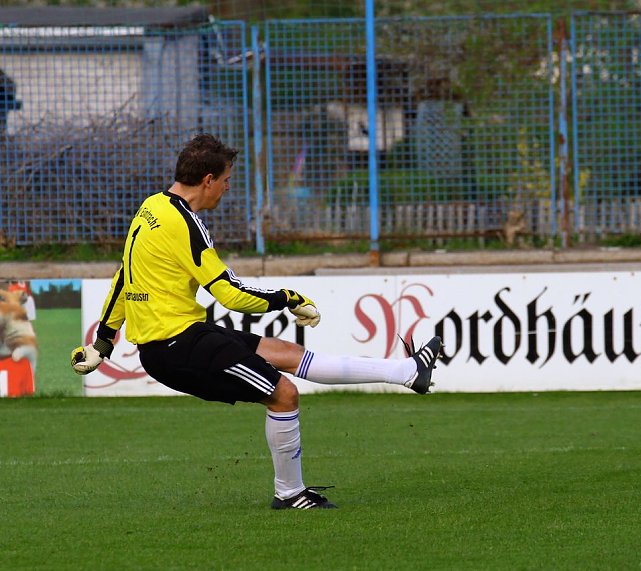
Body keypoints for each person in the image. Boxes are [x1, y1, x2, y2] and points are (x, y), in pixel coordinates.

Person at [70, 133, 443, 510]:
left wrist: (103, 342)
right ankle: (291, 494)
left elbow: (124, 277)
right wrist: (288, 298)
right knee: (284, 394)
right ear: (208, 180)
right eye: (227, 180)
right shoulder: (185, 223)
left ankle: (407, 372)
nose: (227, 189)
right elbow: (230, 294)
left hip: (183, 335)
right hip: (175, 346)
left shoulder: (150, 208)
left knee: (287, 353)